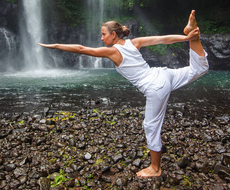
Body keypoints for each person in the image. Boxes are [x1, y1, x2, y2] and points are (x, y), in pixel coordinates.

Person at [38, 10, 209, 177]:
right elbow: (162, 39)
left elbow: (82, 49)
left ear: (113, 35)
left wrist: (56, 46)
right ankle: (195, 36)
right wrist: (186, 38)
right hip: (163, 74)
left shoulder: (113, 51)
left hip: (155, 86)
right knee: (200, 68)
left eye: (103, 34)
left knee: (151, 126)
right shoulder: (134, 42)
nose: (101, 37)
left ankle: (155, 168)